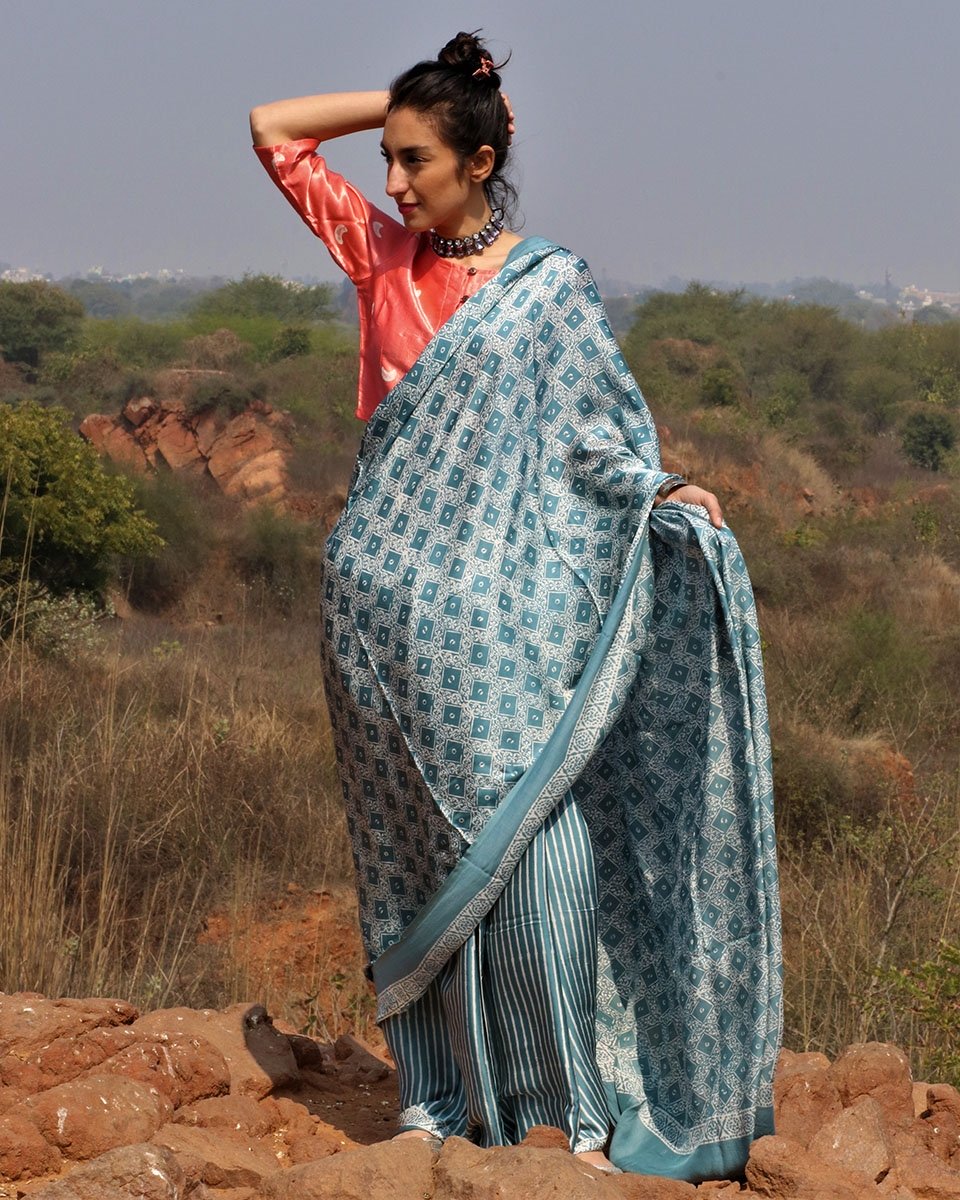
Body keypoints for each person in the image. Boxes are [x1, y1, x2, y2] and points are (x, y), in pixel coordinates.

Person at [250, 32, 781, 1180]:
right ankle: (442, 1100)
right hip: (380, 617)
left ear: (481, 161)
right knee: (411, 855)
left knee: (538, 838)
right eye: (388, 160)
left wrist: (661, 490)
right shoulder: (379, 258)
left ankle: (572, 1116)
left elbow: (594, 434)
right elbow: (273, 131)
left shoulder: (551, 287)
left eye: (417, 159)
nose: (394, 181)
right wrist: (411, 96)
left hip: (501, 616)